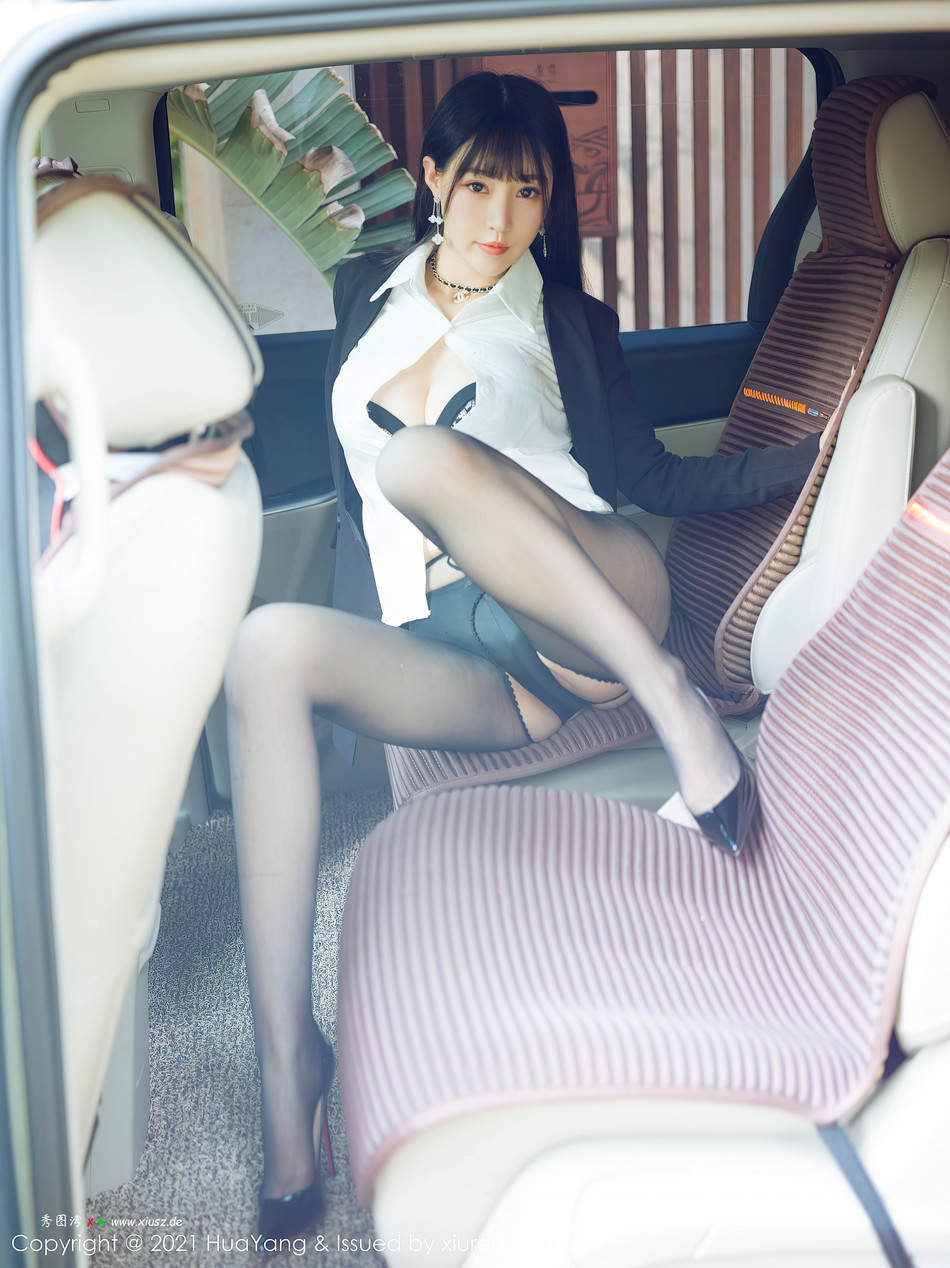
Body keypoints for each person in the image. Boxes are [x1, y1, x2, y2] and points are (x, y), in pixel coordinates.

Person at [224, 71, 822, 1239]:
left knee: (418, 459)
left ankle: (670, 702)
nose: (500, 217)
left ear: (550, 203)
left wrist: (813, 456)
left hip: (597, 603)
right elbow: (356, 501)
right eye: (478, 184)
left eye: (529, 190)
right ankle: (287, 1066)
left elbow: (651, 479)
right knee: (265, 648)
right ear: (432, 181)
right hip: (463, 649)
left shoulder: (566, 321)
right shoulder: (365, 294)